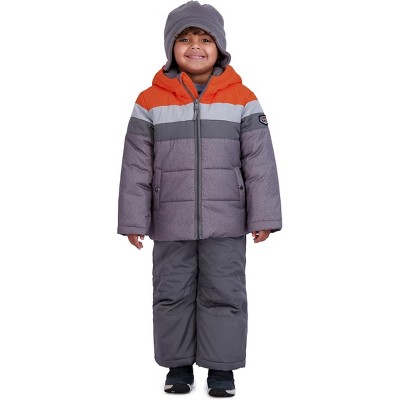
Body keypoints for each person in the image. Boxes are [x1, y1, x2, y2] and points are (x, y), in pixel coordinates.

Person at [117, 1, 282, 396]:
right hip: (169, 222)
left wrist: (263, 216)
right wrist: (134, 220)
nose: (195, 46)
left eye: (205, 39)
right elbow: (136, 165)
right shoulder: (149, 101)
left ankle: (221, 370)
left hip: (226, 221)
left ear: (219, 47)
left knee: (224, 293)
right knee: (171, 293)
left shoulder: (242, 98)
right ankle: (178, 367)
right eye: (185, 39)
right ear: (170, 48)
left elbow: (259, 162)